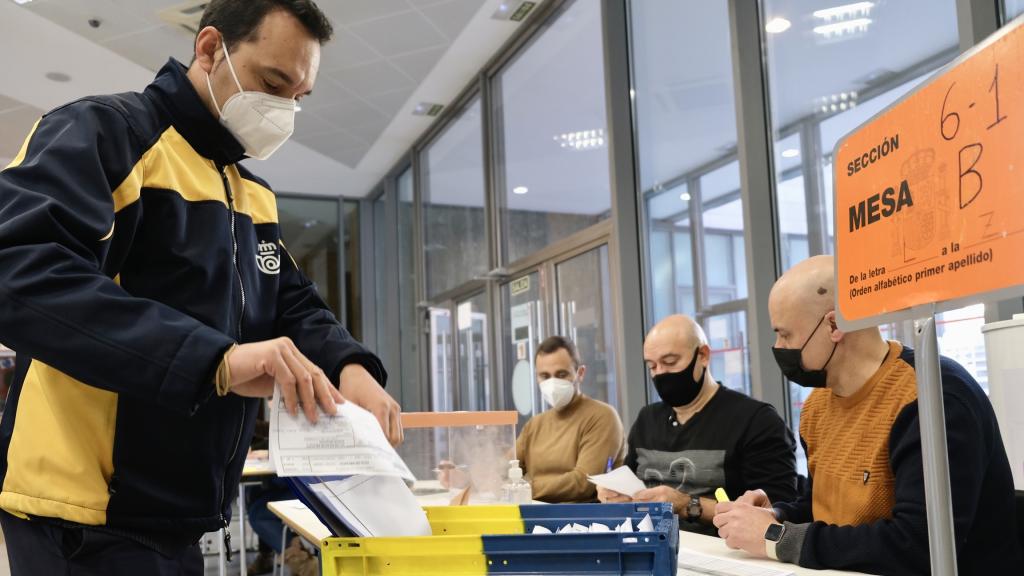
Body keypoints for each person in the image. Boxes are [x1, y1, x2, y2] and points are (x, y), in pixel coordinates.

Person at [0, 1, 402, 574]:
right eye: (272, 82)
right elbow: (18, 272)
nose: (284, 109)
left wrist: (349, 365)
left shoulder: (249, 193)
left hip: (182, 516)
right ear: (210, 48)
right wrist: (218, 359)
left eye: (299, 96)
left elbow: (291, 300)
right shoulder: (107, 134)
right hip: (85, 516)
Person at [713, 255, 1023, 575]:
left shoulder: (931, 397)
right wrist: (777, 515)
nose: (779, 347)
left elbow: (918, 545)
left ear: (834, 325)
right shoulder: (818, 405)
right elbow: (828, 509)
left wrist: (776, 537)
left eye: (786, 334)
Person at [599, 315, 797, 535]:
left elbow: (777, 512)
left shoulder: (755, 420)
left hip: (723, 550)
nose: (660, 373)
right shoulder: (647, 419)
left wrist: (687, 504)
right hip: (651, 543)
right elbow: (632, 487)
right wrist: (617, 493)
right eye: (652, 366)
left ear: (703, 355)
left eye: (670, 362)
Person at [514, 336, 625, 503]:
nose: (552, 383)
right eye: (544, 376)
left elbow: (583, 482)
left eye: (561, 374)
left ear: (580, 373)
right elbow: (507, 468)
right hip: (534, 515)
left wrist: (525, 489)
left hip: (580, 521)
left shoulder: (602, 416)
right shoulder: (534, 425)